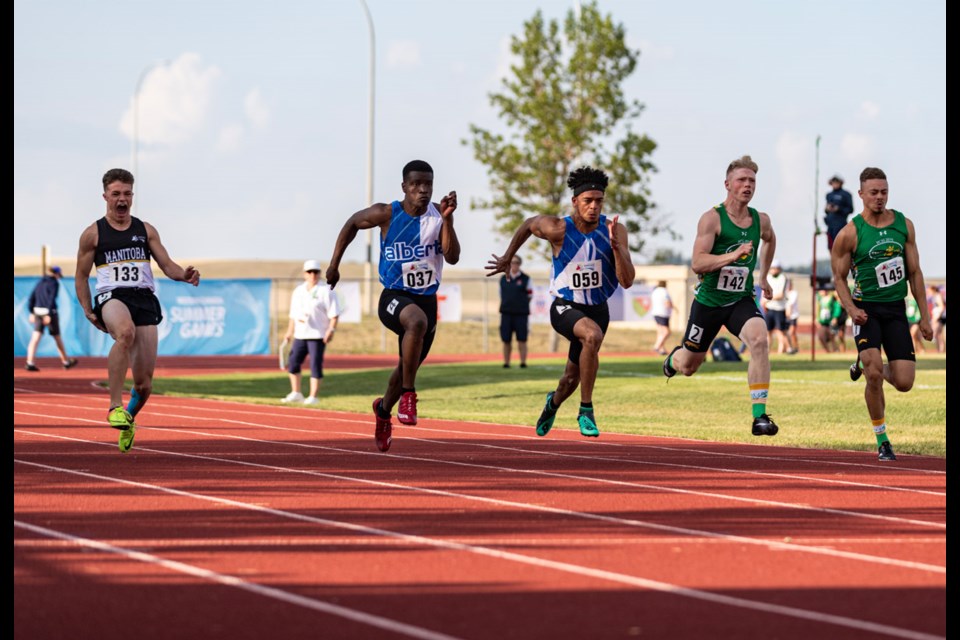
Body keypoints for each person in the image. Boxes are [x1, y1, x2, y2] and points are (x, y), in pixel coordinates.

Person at [486, 166, 635, 439]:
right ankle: (586, 410)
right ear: (575, 202)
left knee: (569, 380)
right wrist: (508, 256)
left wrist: (617, 249)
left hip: (598, 309)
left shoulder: (615, 231)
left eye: (599, 201)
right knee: (591, 336)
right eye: (588, 201)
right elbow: (528, 224)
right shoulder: (557, 228)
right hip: (565, 306)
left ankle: (552, 403)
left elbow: (626, 281)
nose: (594, 207)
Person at [326, 160, 459, 452]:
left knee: (405, 366)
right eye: (416, 185)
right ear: (404, 187)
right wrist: (334, 265)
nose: (422, 190)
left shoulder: (439, 214)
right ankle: (409, 396)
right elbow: (351, 224)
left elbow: (452, 257)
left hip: (427, 299)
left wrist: (448, 220)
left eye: (428, 184)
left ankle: (384, 410)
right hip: (394, 296)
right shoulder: (387, 213)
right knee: (416, 323)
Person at [75, 168, 200, 453]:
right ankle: (114, 406)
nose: (122, 200)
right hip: (112, 296)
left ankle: (129, 417)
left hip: (143, 298)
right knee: (124, 333)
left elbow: (167, 265)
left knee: (144, 385)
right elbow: (81, 276)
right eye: (116, 194)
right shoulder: (93, 234)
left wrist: (184, 274)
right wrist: (87, 308)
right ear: (105, 195)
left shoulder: (145, 230)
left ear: (133, 196)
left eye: (127, 194)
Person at [662, 155, 780, 437]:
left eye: (752, 181)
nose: (747, 185)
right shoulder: (712, 219)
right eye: (742, 180)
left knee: (760, 340)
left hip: (740, 299)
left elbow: (771, 238)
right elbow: (698, 263)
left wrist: (762, 276)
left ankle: (759, 416)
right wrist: (733, 255)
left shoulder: (760, 220)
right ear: (728, 184)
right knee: (690, 366)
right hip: (709, 303)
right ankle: (673, 359)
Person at [833, 167, 932, 461]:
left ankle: (866, 365)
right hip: (866, 311)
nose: (879, 197)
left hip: (896, 310)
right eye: (873, 192)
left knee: (904, 382)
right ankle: (883, 440)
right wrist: (851, 309)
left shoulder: (904, 225)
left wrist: (924, 317)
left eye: (884, 192)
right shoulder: (850, 233)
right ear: (861, 194)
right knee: (875, 374)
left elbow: (915, 273)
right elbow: (839, 277)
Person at [280, 260, 340, 405]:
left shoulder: (326, 290)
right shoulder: (298, 291)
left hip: (317, 335)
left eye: (315, 272)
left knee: (315, 365)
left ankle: (313, 396)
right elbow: (293, 314)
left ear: (319, 274)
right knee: (293, 362)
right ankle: (296, 392)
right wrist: (289, 332)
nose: (313, 274)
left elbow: (334, 314)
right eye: (309, 272)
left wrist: (330, 330)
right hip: (300, 334)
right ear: (304, 274)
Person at [24, 265, 80, 372]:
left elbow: (32, 297)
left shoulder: (40, 282)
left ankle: (29, 362)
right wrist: (48, 314)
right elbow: (51, 298)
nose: (59, 277)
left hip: (37, 312)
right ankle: (66, 362)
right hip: (49, 313)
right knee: (57, 337)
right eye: (59, 275)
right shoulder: (54, 283)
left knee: (35, 338)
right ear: (56, 274)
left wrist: (31, 312)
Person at [498, 255, 533, 368]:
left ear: (519, 264)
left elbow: (530, 295)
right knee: (506, 339)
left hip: (521, 314)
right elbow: (501, 295)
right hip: (506, 313)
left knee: (522, 339)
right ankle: (506, 362)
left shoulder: (526, 278)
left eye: (516, 262)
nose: (514, 265)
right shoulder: (503, 279)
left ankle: (523, 362)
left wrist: (520, 304)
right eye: (512, 262)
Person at [761, 259, 790, 354]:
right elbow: (764, 292)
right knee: (768, 331)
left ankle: (781, 351)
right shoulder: (768, 277)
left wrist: (767, 299)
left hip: (779, 308)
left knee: (780, 331)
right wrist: (764, 301)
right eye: (772, 268)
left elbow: (781, 294)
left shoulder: (783, 278)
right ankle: (767, 351)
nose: (773, 270)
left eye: (775, 268)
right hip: (770, 308)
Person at [824, 175, 854, 250]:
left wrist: (839, 209)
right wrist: (827, 209)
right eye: (833, 182)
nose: (835, 184)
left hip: (841, 225)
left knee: (841, 247)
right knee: (831, 247)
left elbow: (850, 209)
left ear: (840, 183)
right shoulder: (829, 195)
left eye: (836, 182)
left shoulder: (846, 194)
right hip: (830, 226)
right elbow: (826, 211)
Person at [815, 285, 843, 352]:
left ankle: (835, 350)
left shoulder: (832, 298)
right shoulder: (819, 299)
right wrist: (817, 319)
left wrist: (835, 317)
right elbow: (817, 310)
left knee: (832, 337)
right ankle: (827, 351)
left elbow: (837, 307)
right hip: (823, 322)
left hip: (831, 321)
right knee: (821, 336)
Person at [650, 280, 673, 355]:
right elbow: (667, 303)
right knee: (667, 332)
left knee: (660, 332)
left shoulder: (655, 291)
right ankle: (657, 346)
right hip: (663, 313)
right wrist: (672, 307)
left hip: (655, 313)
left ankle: (662, 349)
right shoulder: (664, 291)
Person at [784, 277, 800, 354]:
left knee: (792, 333)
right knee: (786, 333)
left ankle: (796, 347)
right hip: (786, 315)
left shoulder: (794, 293)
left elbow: (791, 304)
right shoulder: (784, 293)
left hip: (793, 315)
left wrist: (788, 313)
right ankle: (789, 348)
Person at [928, 284, 946, 352]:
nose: (929, 292)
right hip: (940, 316)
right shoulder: (936, 296)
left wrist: (937, 317)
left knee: (936, 333)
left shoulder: (938, 296)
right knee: (939, 334)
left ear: (933, 290)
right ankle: (940, 350)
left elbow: (942, 307)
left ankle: (940, 349)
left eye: (930, 290)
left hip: (939, 317)